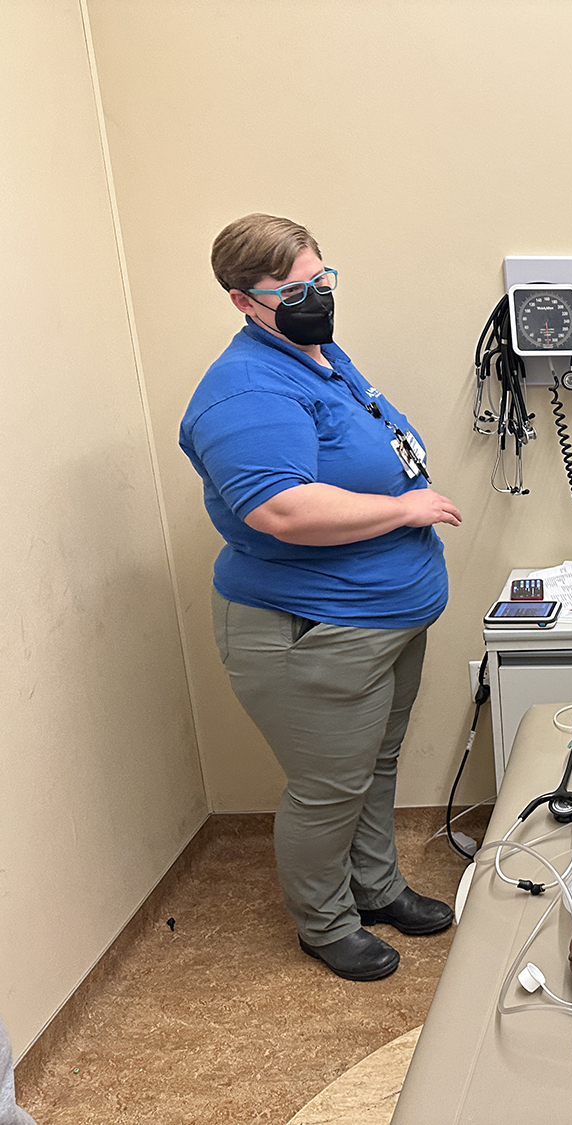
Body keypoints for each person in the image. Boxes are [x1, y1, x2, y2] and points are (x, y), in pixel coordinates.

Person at [180, 214, 463, 982]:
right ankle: (325, 921)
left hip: (382, 620)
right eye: (293, 290)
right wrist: (407, 509)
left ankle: (374, 887)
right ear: (243, 300)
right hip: (311, 626)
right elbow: (280, 508)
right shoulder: (245, 387)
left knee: (375, 763)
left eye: (322, 279)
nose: (315, 297)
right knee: (328, 786)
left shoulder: (318, 355)